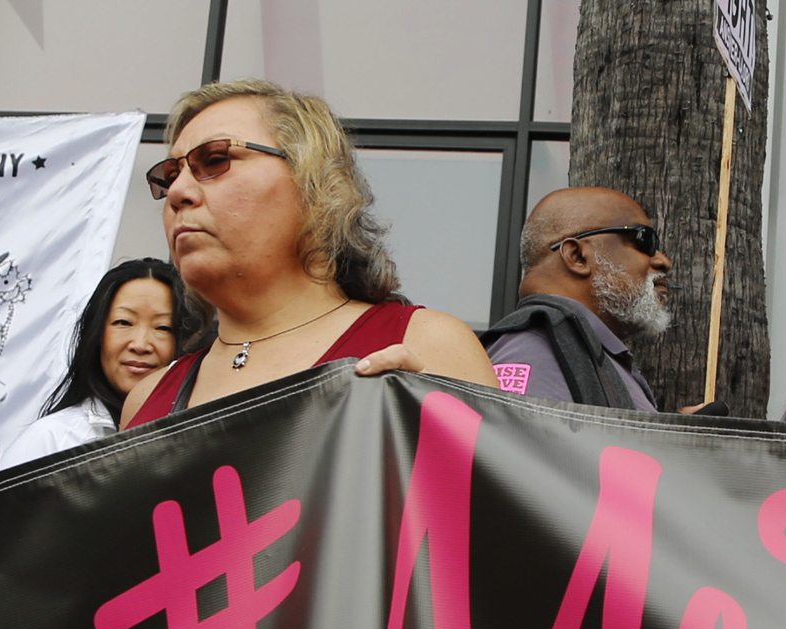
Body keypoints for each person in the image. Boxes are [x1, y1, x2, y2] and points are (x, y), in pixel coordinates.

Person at [121, 79, 496, 426]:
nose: (177, 193)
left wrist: (431, 435)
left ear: (315, 183)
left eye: (216, 160)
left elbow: (496, 478)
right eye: (171, 175)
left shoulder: (428, 345)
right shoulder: (145, 399)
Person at [480, 187, 673, 409]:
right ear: (577, 256)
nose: (663, 261)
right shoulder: (534, 350)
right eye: (644, 240)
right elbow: (521, 431)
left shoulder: (572, 352)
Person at [8, 260, 205, 465]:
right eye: (123, 322)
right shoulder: (52, 441)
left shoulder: (199, 437)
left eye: (163, 327)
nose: (140, 345)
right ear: (96, 333)